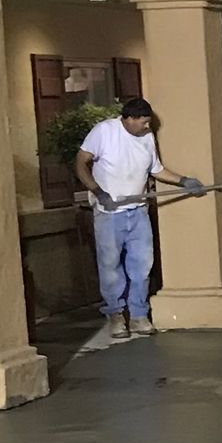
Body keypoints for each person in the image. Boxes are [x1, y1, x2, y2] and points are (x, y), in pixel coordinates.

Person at [75, 97, 202, 341]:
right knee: (111, 267)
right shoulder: (104, 132)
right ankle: (115, 315)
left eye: (148, 123)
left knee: (142, 265)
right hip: (110, 212)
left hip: (138, 210)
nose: (146, 127)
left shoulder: (147, 137)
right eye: (142, 122)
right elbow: (81, 163)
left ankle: (138, 315)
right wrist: (98, 192)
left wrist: (184, 181)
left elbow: (156, 170)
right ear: (128, 119)